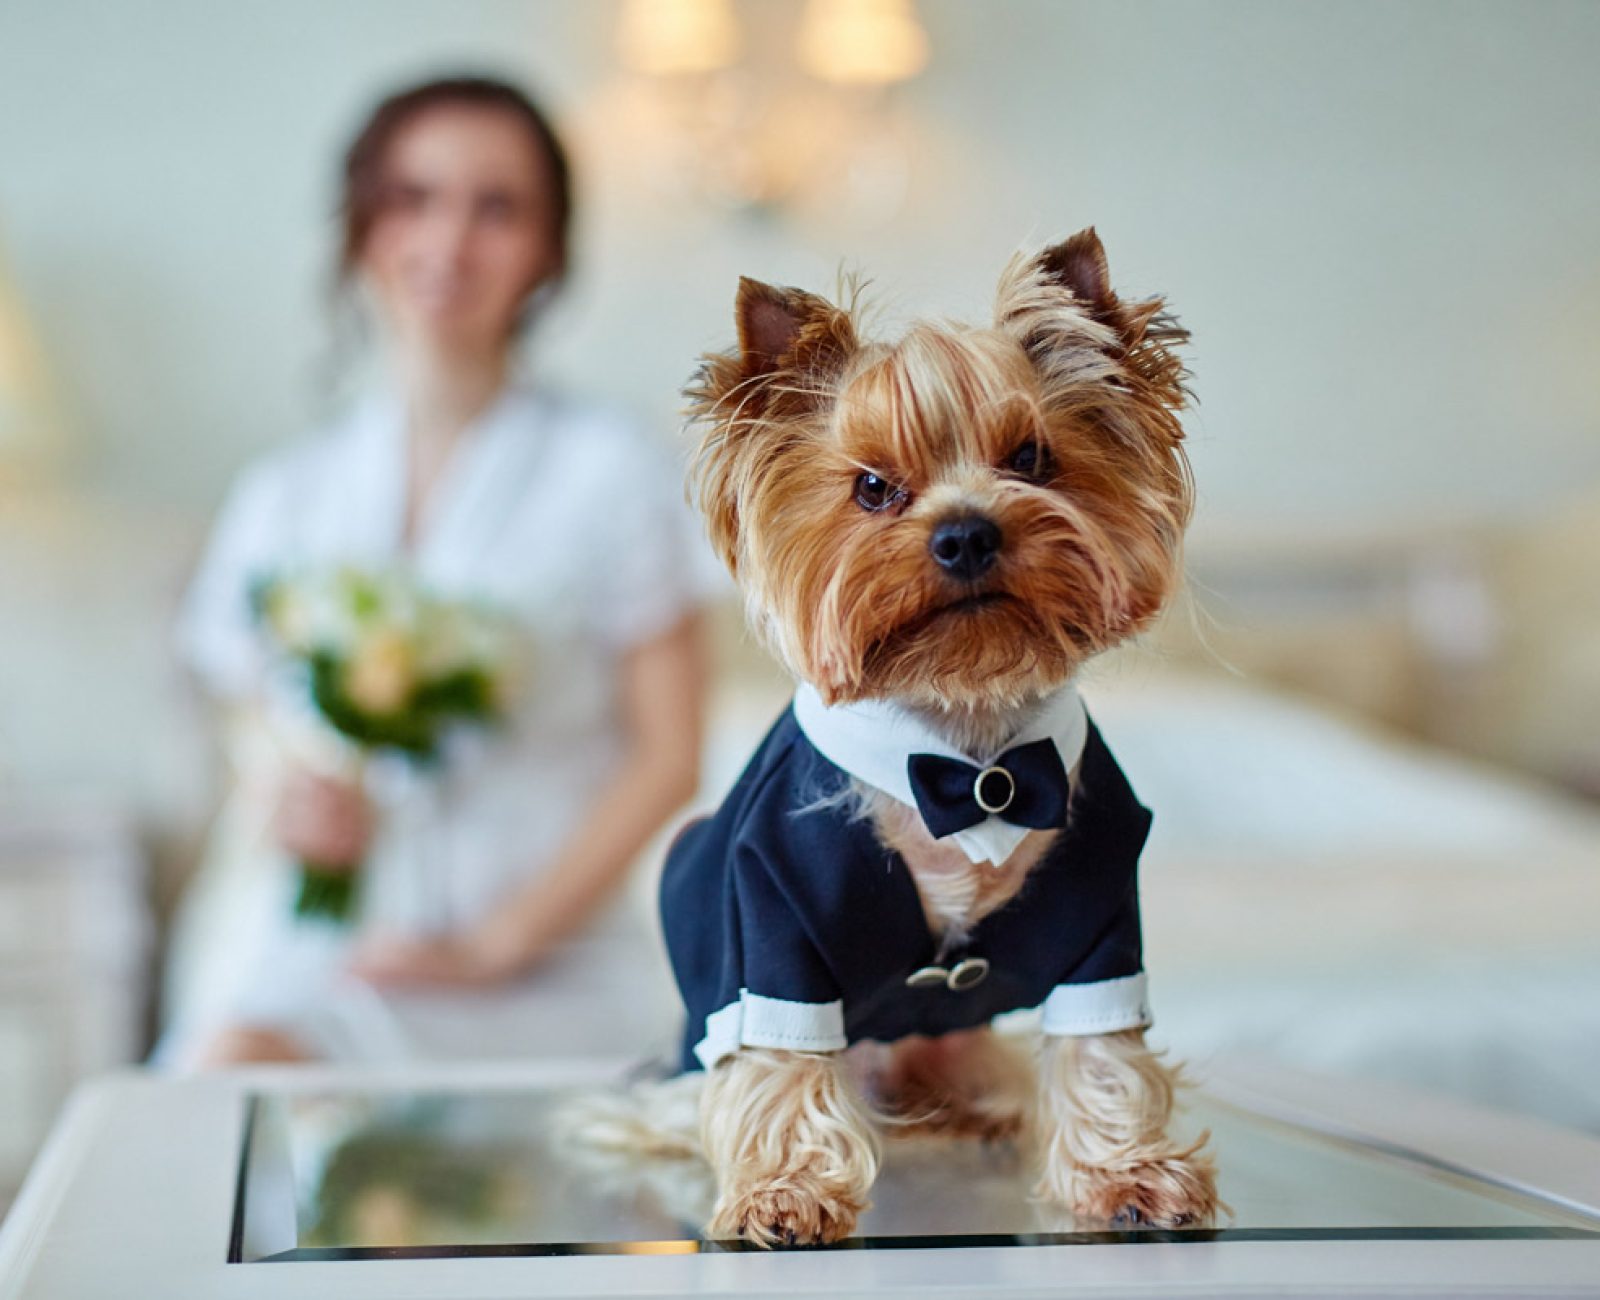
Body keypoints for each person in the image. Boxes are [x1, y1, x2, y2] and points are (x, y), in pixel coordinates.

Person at [158, 76, 709, 1067]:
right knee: (210, 1075)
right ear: (364, 228)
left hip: (549, 970)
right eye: (414, 199)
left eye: (495, 208)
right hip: (325, 950)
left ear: (548, 249)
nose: (449, 244)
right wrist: (284, 788)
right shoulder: (284, 493)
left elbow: (669, 754)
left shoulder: (615, 471)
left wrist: (492, 945)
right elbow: (248, 712)